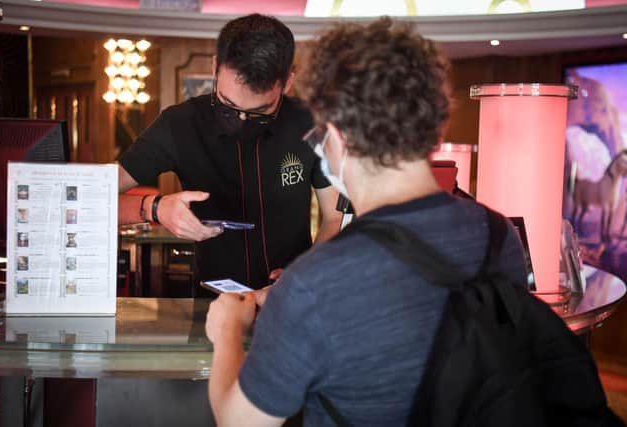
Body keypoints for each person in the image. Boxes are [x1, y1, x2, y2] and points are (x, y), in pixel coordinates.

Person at [205, 18, 529, 426]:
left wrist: (228, 330)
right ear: (434, 124)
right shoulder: (500, 237)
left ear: (336, 138)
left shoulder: (313, 281)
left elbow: (240, 422)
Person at [118, 14, 342, 290]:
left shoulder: (310, 122)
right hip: (209, 309)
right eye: (227, 106)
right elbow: (89, 196)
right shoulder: (179, 123)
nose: (241, 121)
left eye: (260, 113)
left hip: (292, 298)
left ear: (287, 83)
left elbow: (335, 217)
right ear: (215, 66)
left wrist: (307, 270)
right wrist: (153, 207)